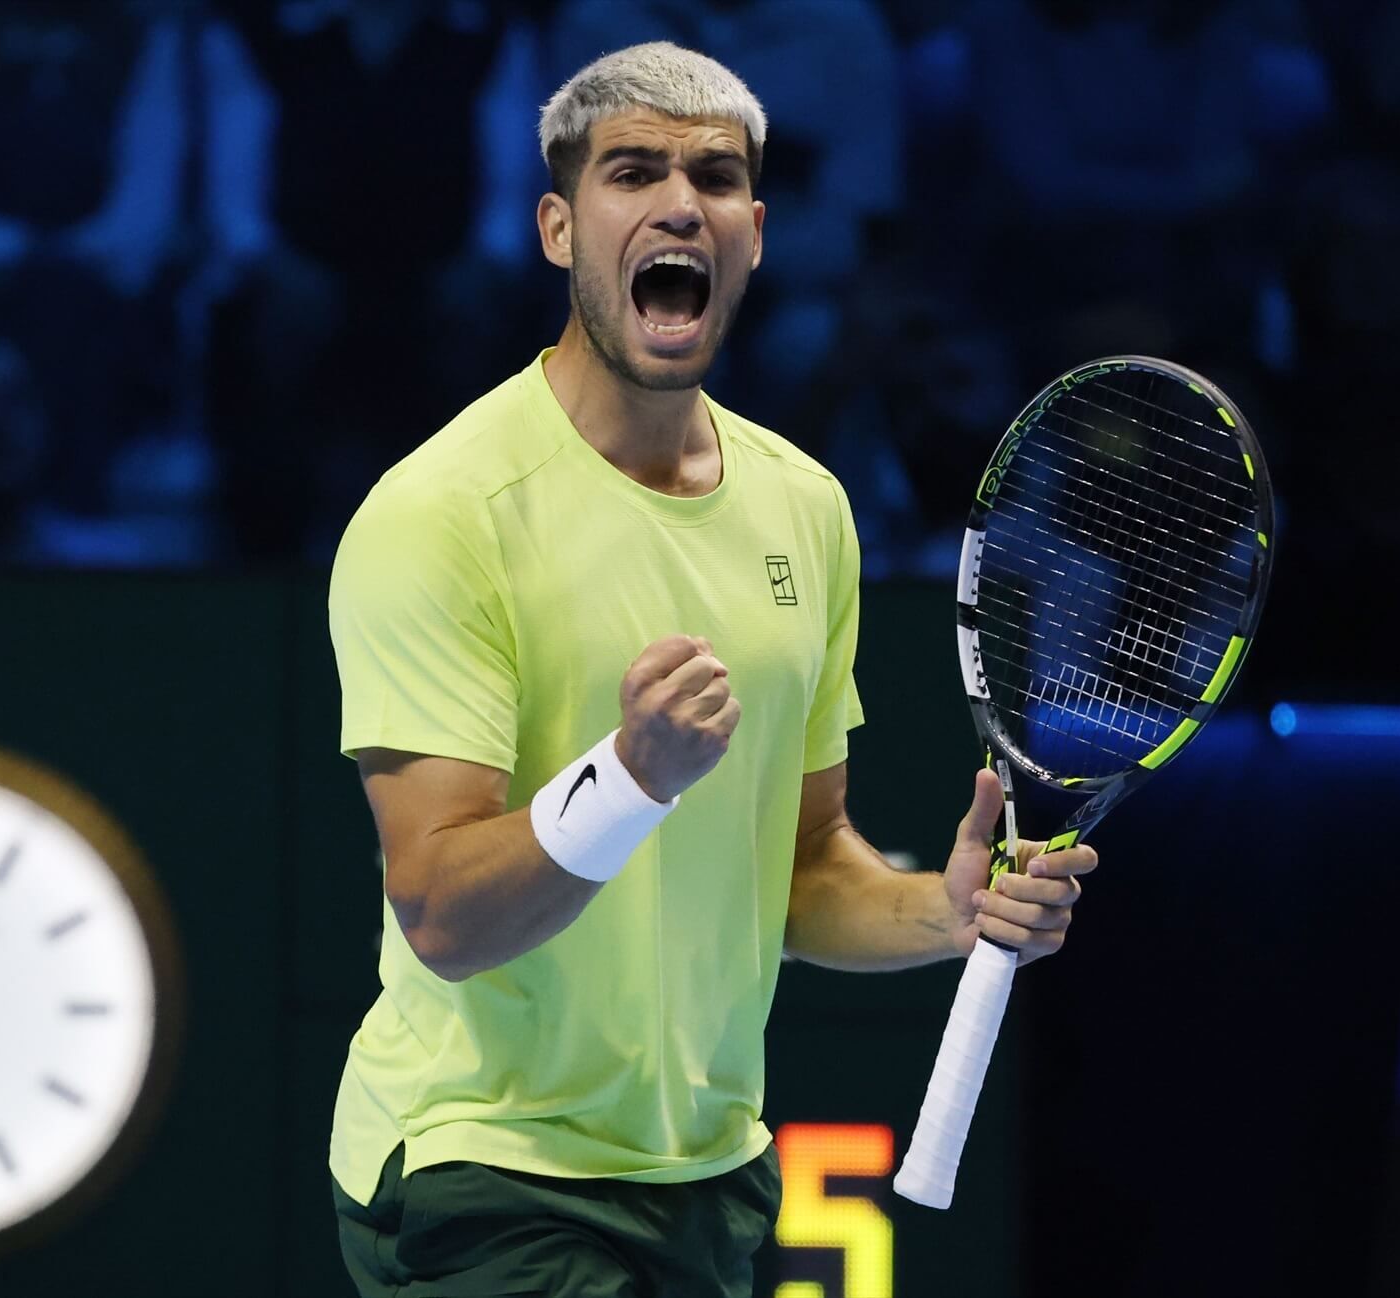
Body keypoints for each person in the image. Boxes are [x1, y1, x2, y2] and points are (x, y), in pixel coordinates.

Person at [325, 42, 1098, 1297]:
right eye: (634, 172)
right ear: (560, 227)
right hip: (483, 1171)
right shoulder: (442, 512)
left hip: (710, 1176)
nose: (682, 203)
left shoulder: (807, 508)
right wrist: (628, 778)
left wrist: (943, 912)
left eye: (717, 178)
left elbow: (798, 868)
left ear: (752, 232)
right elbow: (443, 913)